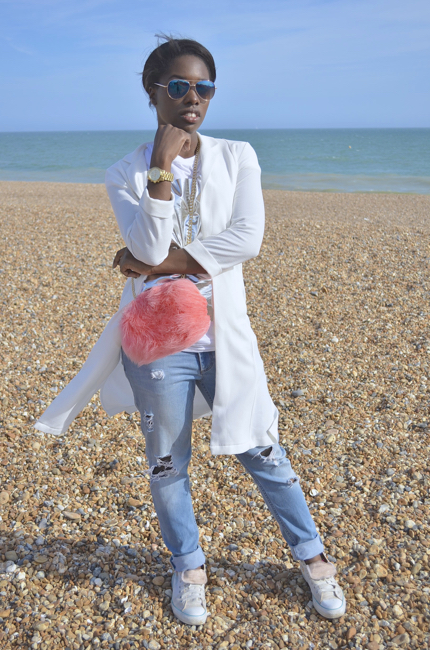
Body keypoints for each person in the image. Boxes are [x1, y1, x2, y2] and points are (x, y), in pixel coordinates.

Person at [35, 35, 346, 627]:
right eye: (178, 86)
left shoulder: (237, 155)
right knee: (167, 465)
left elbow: (247, 238)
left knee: (263, 448)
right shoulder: (124, 173)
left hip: (225, 338)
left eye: (204, 87)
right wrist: (160, 166)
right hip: (158, 345)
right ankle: (189, 566)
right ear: (152, 92)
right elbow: (150, 242)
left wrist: (159, 265)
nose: (193, 98)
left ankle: (312, 556)